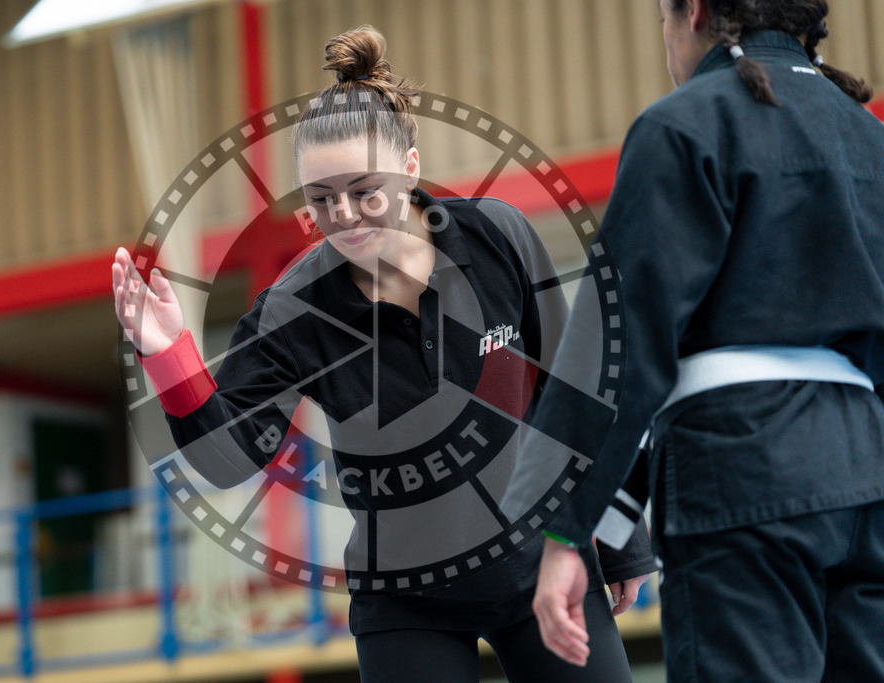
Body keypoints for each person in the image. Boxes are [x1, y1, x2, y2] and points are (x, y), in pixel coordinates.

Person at [113, 25, 654, 683]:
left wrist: (622, 545)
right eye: (320, 199)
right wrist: (170, 354)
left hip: (536, 563)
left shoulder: (497, 237)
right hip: (405, 600)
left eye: (364, 188)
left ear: (411, 169)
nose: (344, 215)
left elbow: (577, 390)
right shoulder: (294, 309)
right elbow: (224, 459)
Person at [520, 1, 884, 680]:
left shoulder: (685, 124)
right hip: (866, 470)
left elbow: (621, 342)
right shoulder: (869, 139)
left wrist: (568, 525)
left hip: (743, 467)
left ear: (693, 12)